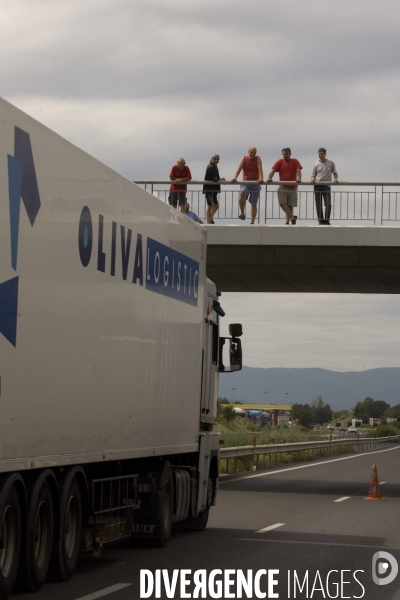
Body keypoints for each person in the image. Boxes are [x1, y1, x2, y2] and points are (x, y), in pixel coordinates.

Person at [267, 148, 302, 225]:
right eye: (284, 154)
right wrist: (270, 177)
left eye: (287, 154)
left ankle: (287, 221)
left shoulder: (295, 161)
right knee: (282, 203)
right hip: (282, 187)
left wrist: (298, 178)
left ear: (290, 154)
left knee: (290, 205)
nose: (285, 155)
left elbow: (298, 170)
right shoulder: (279, 161)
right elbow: (273, 170)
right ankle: (292, 217)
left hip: (293, 187)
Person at [231, 147, 264, 224]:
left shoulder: (257, 158)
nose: (252, 154)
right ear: (248, 152)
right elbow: (239, 169)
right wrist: (235, 178)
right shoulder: (244, 158)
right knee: (242, 193)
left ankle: (252, 221)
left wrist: (261, 178)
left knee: (253, 203)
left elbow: (260, 169)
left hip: (255, 183)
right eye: (251, 152)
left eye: (254, 152)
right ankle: (242, 213)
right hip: (246, 182)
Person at [310, 148, 338, 225]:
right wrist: (312, 179)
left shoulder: (331, 163)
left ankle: (327, 220)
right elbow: (313, 175)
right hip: (317, 185)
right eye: (319, 154)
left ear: (325, 154)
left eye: (322, 154)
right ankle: (320, 220)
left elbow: (335, 173)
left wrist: (335, 179)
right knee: (318, 204)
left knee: (328, 204)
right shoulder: (316, 164)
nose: (320, 156)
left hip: (326, 186)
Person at [203, 154, 225, 224]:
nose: (216, 160)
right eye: (215, 159)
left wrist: (220, 179)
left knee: (212, 205)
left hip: (212, 190)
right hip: (210, 190)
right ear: (211, 159)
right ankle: (209, 220)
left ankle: (210, 219)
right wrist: (221, 179)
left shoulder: (214, 166)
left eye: (217, 159)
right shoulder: (211, 167)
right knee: (212, 205)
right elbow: (215, 179)